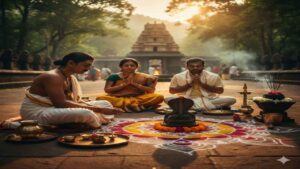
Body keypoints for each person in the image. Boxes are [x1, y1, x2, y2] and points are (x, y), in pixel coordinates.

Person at [20, 52, 123, 129]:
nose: (88, 68)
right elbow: (61, 104)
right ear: (71, 63)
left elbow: (73, 100)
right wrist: (98, 109)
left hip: (56, 108)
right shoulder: (53, 77)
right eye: (86, 65)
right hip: (39, 112)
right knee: (87, 114)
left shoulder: (69, 76)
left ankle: (77, 123)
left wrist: (97, 107)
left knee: (105, 103)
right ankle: (81, 122)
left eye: (89, 65)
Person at [96, 58, 164, 112]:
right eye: (126, 65)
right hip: (118, 98)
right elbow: (107, 90)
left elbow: (151, 91)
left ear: (136, 67)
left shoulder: (145, 77)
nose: (129, 67)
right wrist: (124, 84)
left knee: (159, 97)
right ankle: (139, 107)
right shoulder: (114, 76)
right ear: (121, 67)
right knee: (100, 98)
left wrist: (136, 85)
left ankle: (125, 107)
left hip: (138, 98)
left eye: (132, 65)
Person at [167, 58, 236, 110]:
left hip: (209, 99)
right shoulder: (178, 76)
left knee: (232, 99)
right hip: (186, 99)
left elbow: (220, 91)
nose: (195, 68)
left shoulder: (213, 76)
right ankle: (212, 107)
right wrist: (189, 84)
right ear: (187, 66)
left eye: (198, 66)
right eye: (192, 66)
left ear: (203, 66)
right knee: (167, 99)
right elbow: (172, 91)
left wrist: (202, 84)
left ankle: (188, 108)